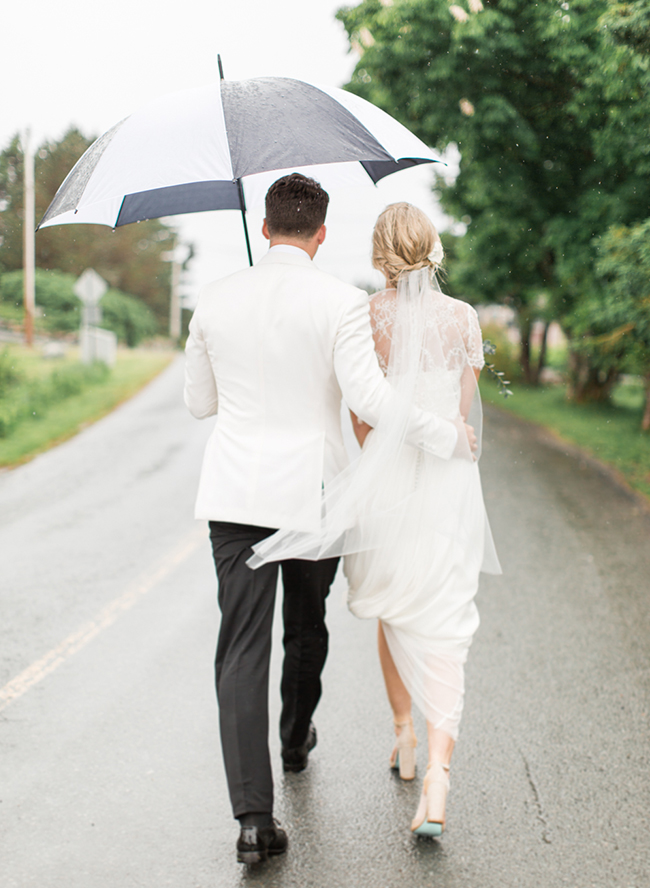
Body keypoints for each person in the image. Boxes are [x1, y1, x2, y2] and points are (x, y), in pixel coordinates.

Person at [183, 176, 465, 864]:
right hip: (313, 494)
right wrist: (442, 433)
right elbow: (368, 395)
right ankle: (294, 734)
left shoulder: (214, 300)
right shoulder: (339, 301)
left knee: (241, 648)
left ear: (267, 225)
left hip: (235, 500)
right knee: (307, 629)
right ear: (321, 232)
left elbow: (198, 404)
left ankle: (254, 820)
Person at [251, 202, 500, 838]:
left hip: (387, 488)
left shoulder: (367, 316)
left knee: (393, 607)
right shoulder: (463, 319)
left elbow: (364, 416)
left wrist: (379, 458)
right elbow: (461, 416)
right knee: (446, 615)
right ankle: (440, 768)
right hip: (449, 487)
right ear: (433, 248)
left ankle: (404, 737)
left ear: (378, 254)